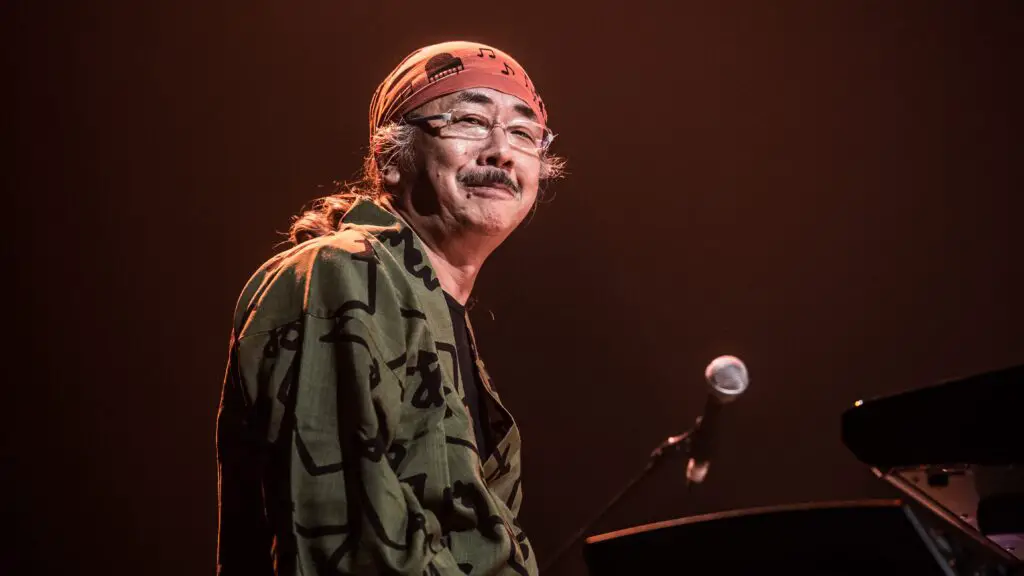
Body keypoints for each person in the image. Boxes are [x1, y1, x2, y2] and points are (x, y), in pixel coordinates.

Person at [216, 41, 565, 575]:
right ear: (391, 160)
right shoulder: (341, 272)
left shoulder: (434, 311)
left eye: (523, 133)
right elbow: (348, 542)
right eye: (469, 119)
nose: (501, 151)